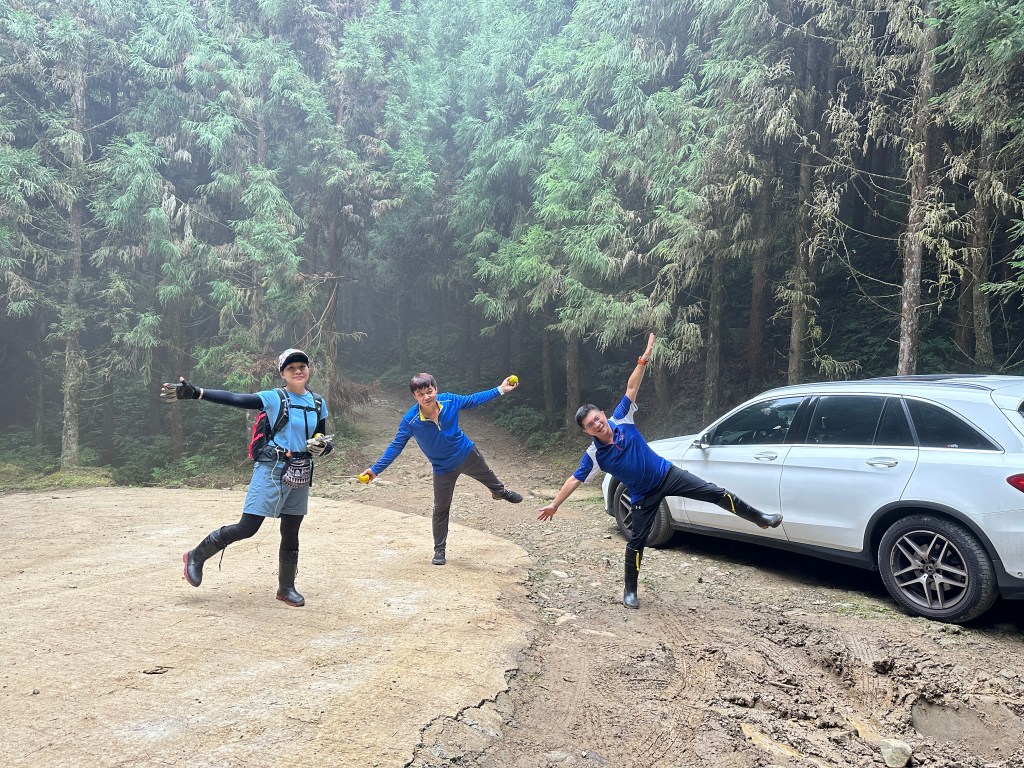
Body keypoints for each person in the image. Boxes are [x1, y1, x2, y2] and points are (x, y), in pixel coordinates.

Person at [538, 333, 782, 609]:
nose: (596, 424)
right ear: (586, 431)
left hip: (668, 475)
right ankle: (630, 591)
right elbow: (574, 479)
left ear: (603, 414)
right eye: (590, 425)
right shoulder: (594, 455)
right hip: (642, 495)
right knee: (637, 541)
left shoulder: (622, 418)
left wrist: (643, 360)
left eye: (597, 418)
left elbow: (631, 387)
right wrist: (555, 504)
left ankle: (759, 517)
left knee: (714, 492)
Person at [160, 348, 334, 607]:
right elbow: (236, 398)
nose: (298, 371)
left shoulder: (317, 402)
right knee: (248, 527)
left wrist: (323, 447)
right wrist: (198, 393)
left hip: (301, 469)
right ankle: (196, 556)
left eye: (302, 366)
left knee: (291, 530)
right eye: (291, 368)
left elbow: (320, 436)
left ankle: (286, 588)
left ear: (308, 369)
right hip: (272, 469)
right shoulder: (274, 398)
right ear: (282, 374)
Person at [360, 373, 523, 566]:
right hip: (443, 468)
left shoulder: (450, 400)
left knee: (490, 478)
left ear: (436, 389)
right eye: (421, 394)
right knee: (441, 508)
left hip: (466, 453)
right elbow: (396, 446)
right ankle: (439, 549)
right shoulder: (410, 420)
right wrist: (375, 470)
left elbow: (473, 399)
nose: (426, 397)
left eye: (429, 391)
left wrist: (500, 389)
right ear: (414, 396)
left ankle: (500, 492)